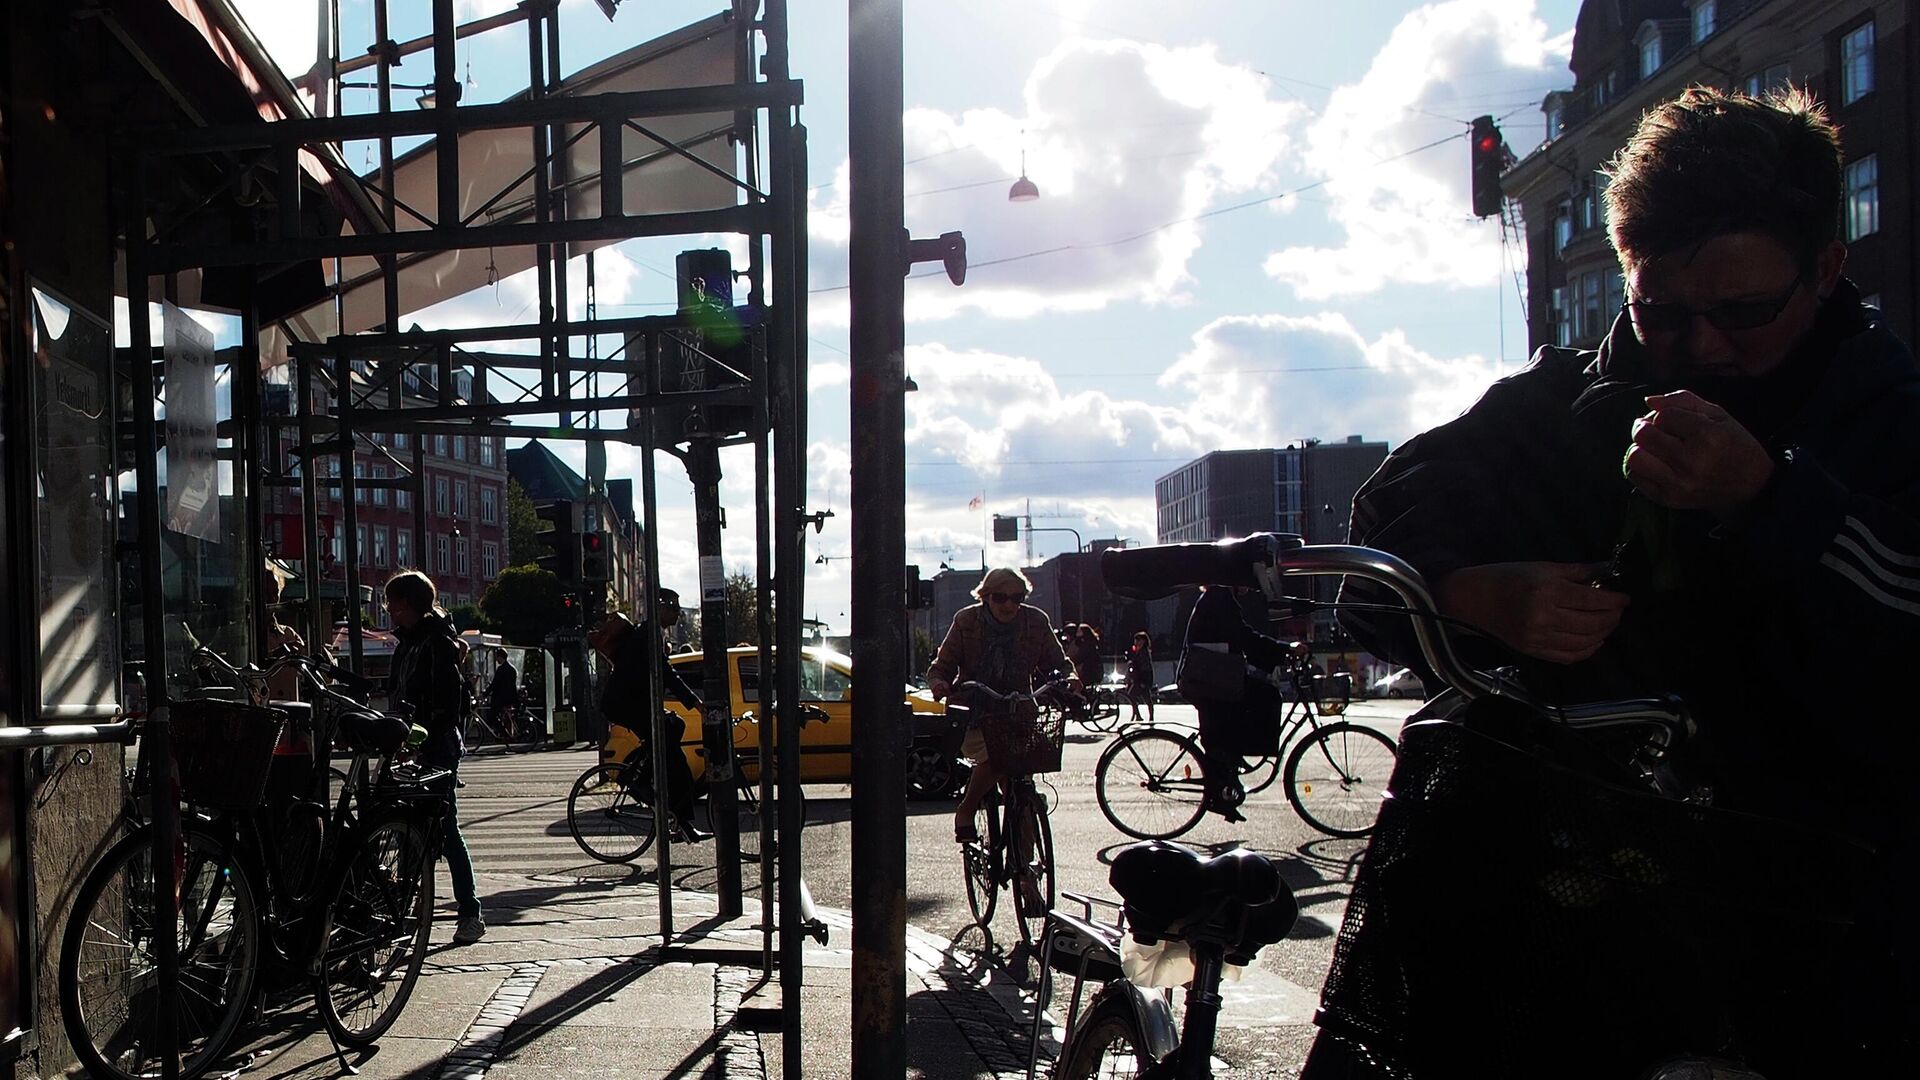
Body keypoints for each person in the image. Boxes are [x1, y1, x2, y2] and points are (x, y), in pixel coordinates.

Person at [1330, 87, 1919, 1071]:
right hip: (1545, 929)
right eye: (1662, 313)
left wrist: (1773, 500)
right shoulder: (1559, 404)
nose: (1704, 347)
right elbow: (1381, 540)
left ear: (1825, 270)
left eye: (1744, 312)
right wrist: (1477, 594)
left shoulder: (1891, 420)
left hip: (1820, 930)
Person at [926, 567, 1076, 845]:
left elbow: (1059, 663)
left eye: (1016, 598)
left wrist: (1070, 679)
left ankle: (1025, 866)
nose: (1009, 605)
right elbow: (941, 667)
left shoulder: (1036, 621)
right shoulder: (966, 620)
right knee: (998, 759)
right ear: (985, 596)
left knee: (1022, 790)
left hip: (1019, 715)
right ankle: (967, 809)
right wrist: (940, 684)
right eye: (1000, 597)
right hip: (973, 714)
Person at [384, 569, 486, 944]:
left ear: (410, 604)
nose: (389, 609)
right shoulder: (409, 643)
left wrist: (419, 735)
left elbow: (446, 704)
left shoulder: (436, 643)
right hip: (410, 744)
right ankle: (411, 905)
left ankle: (470, 912)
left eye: (393, 603)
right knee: (408, 827)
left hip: (436, 746)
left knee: (444, 827)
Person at [590, 588, 709, 843]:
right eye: (674, 609)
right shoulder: (649, 634)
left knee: (674, 730)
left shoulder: (650, 632)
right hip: (625, 704)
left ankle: (672, 810)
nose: (677, 614)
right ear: (661, 608)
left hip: (632, 703)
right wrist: (695, 703)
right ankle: (643, 785)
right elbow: (667, 673)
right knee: (676, 761)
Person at [1182, 585, 1303, 823]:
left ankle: (1229, 770)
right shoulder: (1220, 597)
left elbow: (1240, 638)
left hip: (1211, 677)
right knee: (1266, 696)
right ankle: (1224, 780)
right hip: (1210, 680)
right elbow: (1244, 637)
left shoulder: (1217, 596)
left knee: (1254, 700)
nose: (1250, 586)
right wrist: (1284, 649)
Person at [484, 647, 521, 740]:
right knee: (508, 717)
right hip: (510, 698)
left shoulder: (501, 669)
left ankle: (504, 734)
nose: (496, 659)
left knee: (492, 716)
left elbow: (494, 684)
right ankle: (509, 735)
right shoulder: (512, 669)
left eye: (497, 657)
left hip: (500, 699)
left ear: (500, 657)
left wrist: (485, 694)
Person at [1124, 631, 1155, 724]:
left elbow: (1145, 667)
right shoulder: (1139, 651)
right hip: (1140, 678)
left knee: (1132, 695)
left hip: (1141, 679)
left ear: (1143, 641)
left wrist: (1144, 680)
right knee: (1146, 698)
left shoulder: (1144, 652)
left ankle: (1140, 715)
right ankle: (1146, 716)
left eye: (1138, 640)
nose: (1136, 642)